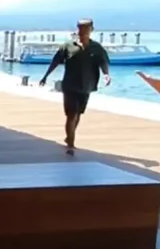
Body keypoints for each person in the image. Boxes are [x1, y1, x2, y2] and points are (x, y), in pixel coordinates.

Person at [38, 19, 110, 155]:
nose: (83, 30)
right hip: (70, 86)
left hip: (87, 86)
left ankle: (69, 136)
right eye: (81, 28)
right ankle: (71, 143)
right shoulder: (68, 46)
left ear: (91, 29)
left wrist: (106, 75)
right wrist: (45, 76)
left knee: (78, 114)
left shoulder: (97, 48)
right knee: (71, 114)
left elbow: (103, 63)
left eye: (86, 28)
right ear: (77, 29)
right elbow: (55, 61)